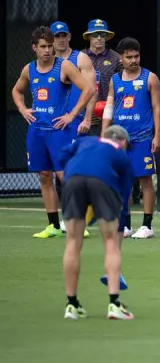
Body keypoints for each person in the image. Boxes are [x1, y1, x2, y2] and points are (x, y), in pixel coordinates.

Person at [13, 26, 94, 239]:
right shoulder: (28, 70)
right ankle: (53, 226)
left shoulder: (65, 66)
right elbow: (16, 90)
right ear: (34, 48)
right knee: (44, 176)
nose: (48, 50)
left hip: (60, 130)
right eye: (43, 46)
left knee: (64, 176)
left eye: (50, 46)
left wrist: (72, 115)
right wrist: (22, 109)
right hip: (37, 130)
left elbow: (89, 89)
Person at [59, 126, 135, 320]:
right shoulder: (123, 157)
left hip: (72, 177)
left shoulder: (85, 140)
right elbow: (125, 200)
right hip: (104, 181)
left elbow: (62, 154)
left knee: (73, 242)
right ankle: (114, 304)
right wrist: (120, 227)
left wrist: (71, 172)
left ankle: (71, 305)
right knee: (110, 243)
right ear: (124, 142)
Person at [102, 37, 160, 239]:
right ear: (121, 58)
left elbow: (157, 108)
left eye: (136, 56)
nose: (134, 60)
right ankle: (125, 225)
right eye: (129, 57)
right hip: (119, 140)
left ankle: (147, 225)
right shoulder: (115, 80)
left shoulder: (150, 78)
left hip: (143, 137)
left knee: (145, 180)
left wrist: (157, 136)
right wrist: (104, 136)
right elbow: (109, 108)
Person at [51, 21, 97, 143]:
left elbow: (92, 90)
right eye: (57, 36)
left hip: (75, 120)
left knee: (74, 160)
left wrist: (87, 120)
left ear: (69, 37)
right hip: (51, 120)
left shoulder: (81, 58)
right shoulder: (46, 60)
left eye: (64, 35)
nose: (61, 39)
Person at [81, 19, 122, 135]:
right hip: (84, 116)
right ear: (89, 36)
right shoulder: (80, 56)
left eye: (102, 34)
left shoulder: (116, 58)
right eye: (95, 34)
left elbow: (123, 86)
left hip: (110, 115)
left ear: (106, 37)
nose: (99, 38)